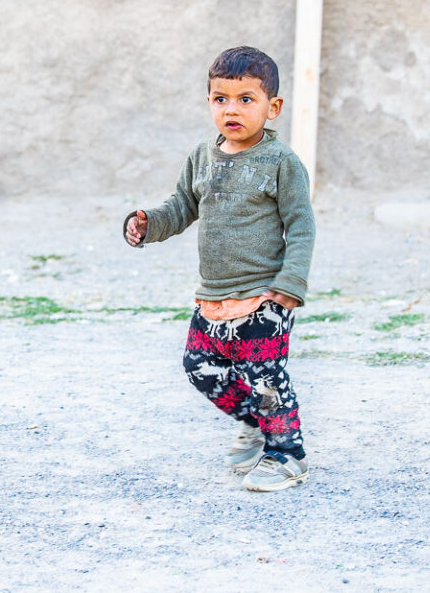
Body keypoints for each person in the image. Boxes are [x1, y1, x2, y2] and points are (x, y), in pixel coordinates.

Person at [123, 46, 315, 492]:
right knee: (199, 366)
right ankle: (255, 423)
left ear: (273, 107)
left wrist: (290, 284)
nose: (232, 108)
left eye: (246, 99)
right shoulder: (202, 156)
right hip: (214, 294)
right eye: (220, 98)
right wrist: (150, 224)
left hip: (265, 293)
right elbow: (183, 206)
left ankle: (288, 455)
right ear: (209, 101)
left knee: (265, 377)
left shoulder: (281, 163)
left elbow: (302, 225)